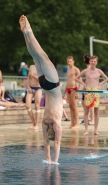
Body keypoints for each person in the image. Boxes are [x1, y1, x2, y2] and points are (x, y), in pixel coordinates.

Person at [19, 15, 63, 164]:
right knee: (35, 56)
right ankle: (25, 33)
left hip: (52, 85)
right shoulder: (45, 123)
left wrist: (54, 160)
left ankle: (28, 31)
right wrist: (49, 160)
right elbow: (48, 143)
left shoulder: (56, 122)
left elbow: (55, 144)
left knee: (42, 56)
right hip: (44, 85)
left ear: (54, 133)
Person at [75, 55, 108, 135]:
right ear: (89, 62)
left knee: (96, 111)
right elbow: (76, 78)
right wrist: (83, 83)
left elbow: (106, 78)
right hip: (88, 91)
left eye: (94, 61)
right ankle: (86, 130)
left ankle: (95, 130)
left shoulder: (99, 71)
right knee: (86, 111)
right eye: (91, 61)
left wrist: (100, 84)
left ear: (96, 62)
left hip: (96, 91)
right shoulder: (86, 71)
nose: (93, 62)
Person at [63, 56, 81, 129]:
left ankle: (76, 123)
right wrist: (64, 93)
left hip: (74, 89)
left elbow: (80, 81)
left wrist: (78, 91)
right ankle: (72, 123)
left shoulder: (76, 69)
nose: (69, 63)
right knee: (70, 106)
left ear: (73, 61)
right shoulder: (68, 70)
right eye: (68, 61)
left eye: (70, 61)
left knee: (74, 106)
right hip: (68, 89)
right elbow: (68, 82)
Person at [26, 64, 42, 130]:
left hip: (38, 88)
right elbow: (28, 78)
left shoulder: (41, 68)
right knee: (27, 105)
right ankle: (33, 122)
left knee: (37, 106)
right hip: (31, 88)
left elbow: (39, 79)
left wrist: (33, 75)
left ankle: (37, 124)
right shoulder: (31, 67)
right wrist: (28, 87)